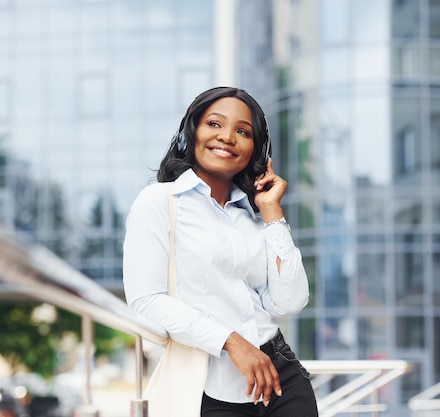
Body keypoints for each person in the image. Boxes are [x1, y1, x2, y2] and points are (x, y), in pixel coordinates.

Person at [123, 86, 318, 416]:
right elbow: (145, 299)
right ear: (192, 132)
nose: (227, 137)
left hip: (281, 375)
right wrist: (231, 341)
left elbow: (289, 301)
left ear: (255, 149)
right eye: (214, 124)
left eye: (243, 131)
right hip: (206, 387)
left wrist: (271, 211)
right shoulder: (159, 201)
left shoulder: (252, 217)